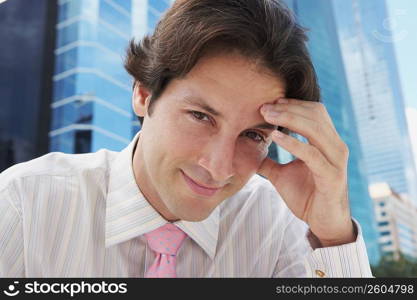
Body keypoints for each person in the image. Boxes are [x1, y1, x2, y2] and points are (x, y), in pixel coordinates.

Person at [0, 0, 373, 277]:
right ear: (144, 95)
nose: (218, 167)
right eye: (201, 116)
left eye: (252, 134)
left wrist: (333, 235)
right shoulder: (23, 204)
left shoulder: (277, 224)